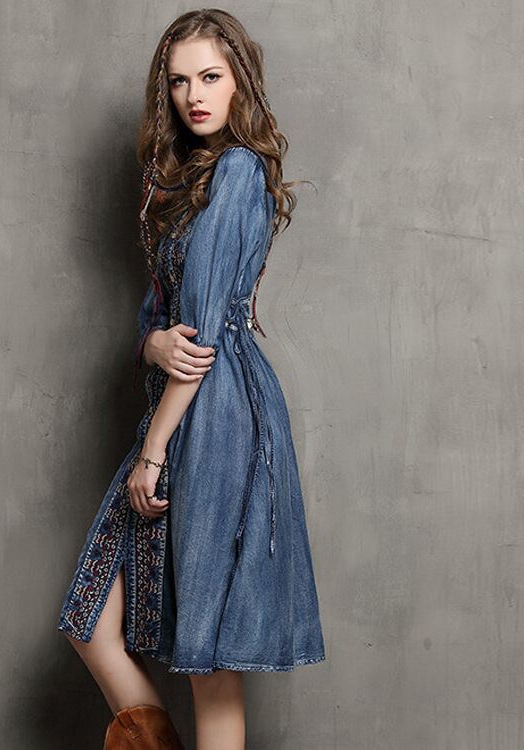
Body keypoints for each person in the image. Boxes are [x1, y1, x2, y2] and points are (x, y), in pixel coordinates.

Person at [56, 9, 326, 749]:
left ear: (240, 81)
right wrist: (150, 345)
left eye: (210, 76)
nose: (194, 96)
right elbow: (163, 321)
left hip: (220, 414)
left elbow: (203, 334)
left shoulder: (237, 169)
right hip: (180, 407)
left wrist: (153, 451)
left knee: (210, 664)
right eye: (179, 82)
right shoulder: (180, 180)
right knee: (90, 624)